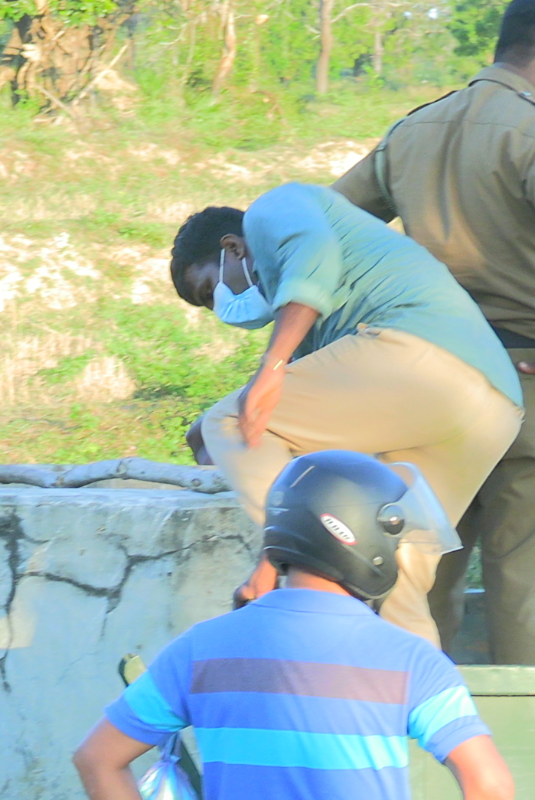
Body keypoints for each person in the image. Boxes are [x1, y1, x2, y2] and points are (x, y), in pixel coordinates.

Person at [172, 183, 522, 648]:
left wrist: (272, 367)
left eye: (208, 289)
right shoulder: (321, 336)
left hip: (417, 354)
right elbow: (318, 468)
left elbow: (310, 254)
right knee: (396, 574)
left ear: (232, 248)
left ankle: (311, 555)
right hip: (493, 406)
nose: (220, 306)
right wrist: (263, 568)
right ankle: (431, 715)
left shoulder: (272, 210)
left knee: (227, 423)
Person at [74, 451, 514, 800]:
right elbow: (490, 786)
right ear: (360, 535)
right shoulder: (410, 660)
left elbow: (96, 759)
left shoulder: (200, 649)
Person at [332, 0, 535, 663]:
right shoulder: (529, 134)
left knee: (419, 581)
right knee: (520, 584)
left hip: (426, 391)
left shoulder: (415, 129)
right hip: (523, 390)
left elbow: (321, 230)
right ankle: (514, 754)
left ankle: (412, 747)